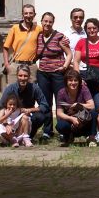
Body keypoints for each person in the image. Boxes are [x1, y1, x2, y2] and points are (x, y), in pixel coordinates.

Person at [35, 12, 72, 140]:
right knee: (46, 102)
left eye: (50, 22)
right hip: (43, 73)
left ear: (53, 23)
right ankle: (47, 130)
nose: (47, 24)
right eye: (45, 21)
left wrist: (64, 67)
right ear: (41, 21)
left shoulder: (59, 36)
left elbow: (69, 54)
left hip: (58, 74)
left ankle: (62, 129)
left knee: (61, 101)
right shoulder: (38, 36)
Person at [0, 64, 49, 140]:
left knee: (40, 117)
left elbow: (44, 105)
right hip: (12, 115)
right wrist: (5, 122)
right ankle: (5, 136)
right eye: (20, 75)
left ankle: (29, 136)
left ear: (29, 76)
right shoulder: (10, 88)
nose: (22, 78)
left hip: (27, 115)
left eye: (25, 76)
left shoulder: (34, 88)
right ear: (17, 76)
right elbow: (0, 107)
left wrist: (30, 110)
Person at [74, 18, 99, 110]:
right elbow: (76, 61)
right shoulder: (81, 42)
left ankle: (97, 124)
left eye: (94, 28)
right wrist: (78, 78)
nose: (92, 30)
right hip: (84, 77)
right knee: (84, 105)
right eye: (89, 28)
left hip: (98, 78)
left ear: (98, 29)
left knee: (98, 105)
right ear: (86, 29)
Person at [2, 4, 42, 85]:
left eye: (31, 13)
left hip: (31, 66)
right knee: (13, 92)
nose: (28, 15)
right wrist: (6, 64)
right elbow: (5, 47)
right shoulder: (15, 28)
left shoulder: (38, 29)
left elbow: (48, 38)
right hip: (16, 65)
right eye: (26, 13)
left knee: (31, 92)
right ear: (22, 14)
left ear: (34, 14)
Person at [55, 69, 96, 147]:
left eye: (75, 80)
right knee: (60, 125)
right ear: (66, 82)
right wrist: (72, 119)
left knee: (94, 113)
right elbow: (59, 113)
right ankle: (69, 137)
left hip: (84, 119)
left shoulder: (83, 89)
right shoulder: (61, 92)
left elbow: (92, 105)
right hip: (71, 121)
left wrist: (78, 104)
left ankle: (91, 137)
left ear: (79, 81)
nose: (73, 83)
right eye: (70, 80)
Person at [64, 7, 87, 72]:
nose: (78, 19)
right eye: (75, 17)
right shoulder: (65, 35)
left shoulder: (87, 34)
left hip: (85, 69)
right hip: (71, 69)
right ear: (71, 18)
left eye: (81, 17)